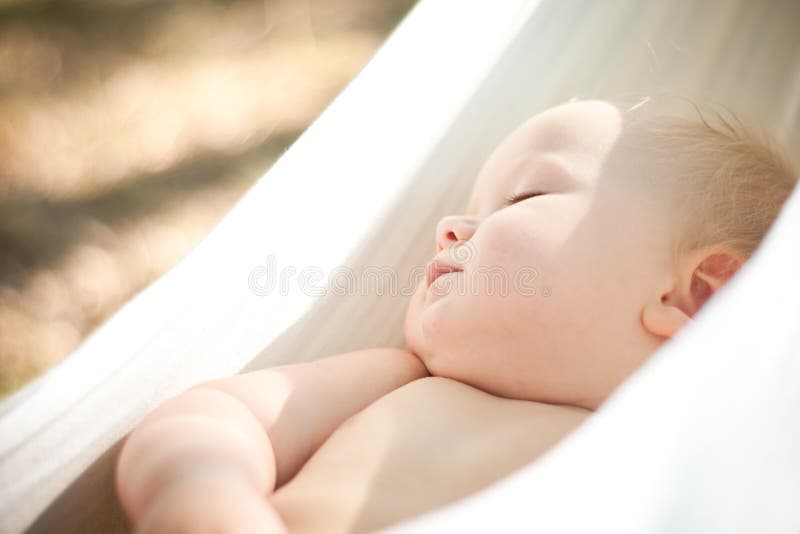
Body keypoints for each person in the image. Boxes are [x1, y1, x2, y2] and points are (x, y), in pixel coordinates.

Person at [114, 98, 798, 534]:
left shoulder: (689, 460)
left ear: (697, 295)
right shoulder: (401, 379)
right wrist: (201, 492)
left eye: (522, 196)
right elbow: (217, 416)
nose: (450, 225)